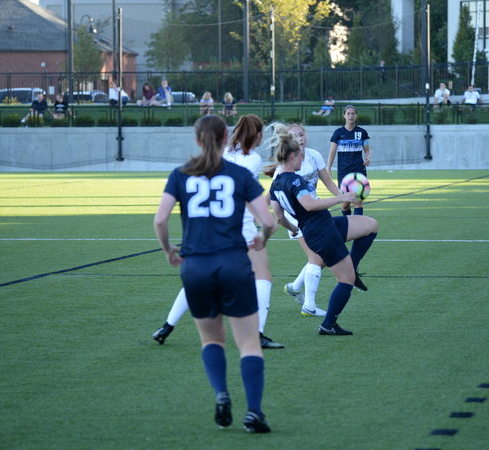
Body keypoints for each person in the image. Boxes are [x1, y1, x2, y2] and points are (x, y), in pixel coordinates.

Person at [153, 114, 276, 433]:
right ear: (225, 138)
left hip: (196, 267)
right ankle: (254, 413)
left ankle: (221, 393)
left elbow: (160, 220)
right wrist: (263, 238)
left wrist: (168, 250)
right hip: (233, 263)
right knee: (248, 343)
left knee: (211, 339)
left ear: (197, 140)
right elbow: (268, 221)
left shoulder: (180, 174)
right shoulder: (240, 174)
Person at [269, 124, 378, 335]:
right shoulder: (295, 179)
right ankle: (328, 325)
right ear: (292, 156)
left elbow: (279, 217)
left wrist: (293, 228)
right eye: (299, 156)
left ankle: (352, 267)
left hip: (323, 224)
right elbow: (309, 205)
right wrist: (342, 198)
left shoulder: (276, 184)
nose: (302, 160)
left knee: (371, 225)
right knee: (345, 281)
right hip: (321, 232)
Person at [326, 105, 370, 216]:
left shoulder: (362, 132)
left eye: (353, 113)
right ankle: (348, 222)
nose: (351, 116)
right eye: (348, 113)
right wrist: (328, 168)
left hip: (358, 170)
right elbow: (332, 151)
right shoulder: (338, 133)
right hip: (344, 171)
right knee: (345, 204)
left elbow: (367, 151)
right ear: (344, 115)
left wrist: (367, 158)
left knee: (357, 201)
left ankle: (357, 226)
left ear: (356, 116)